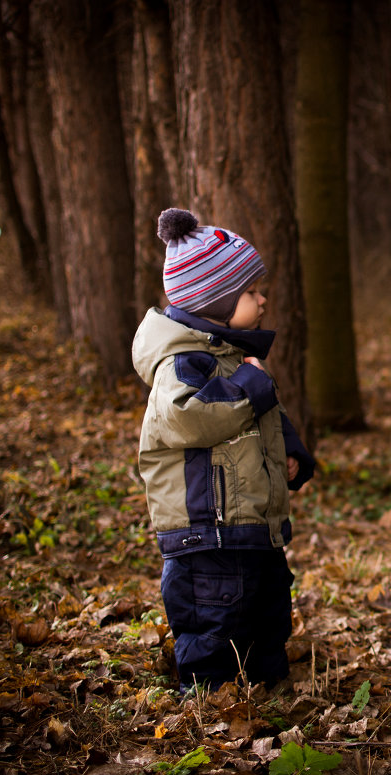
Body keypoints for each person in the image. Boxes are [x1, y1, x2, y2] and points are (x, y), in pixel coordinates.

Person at [132, 208, 315, 694]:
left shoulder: (232, 357)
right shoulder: (183, 363)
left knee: (268, 616)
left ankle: (269, 696)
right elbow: (187, 416)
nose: (263, 298)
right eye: (251, 293)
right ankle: (210, 708)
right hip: (206, 535)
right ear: (214, 304)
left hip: (251, 526)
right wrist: (251, 386)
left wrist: (292, 451)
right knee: (214, 627)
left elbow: (264, 418)